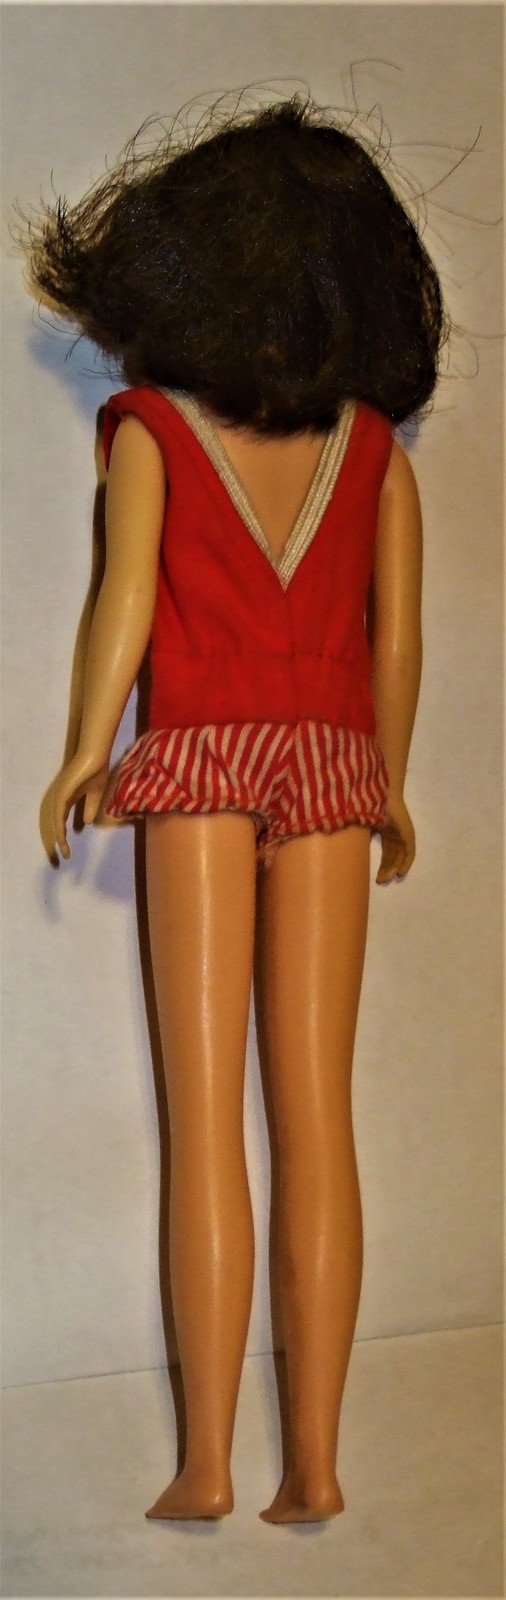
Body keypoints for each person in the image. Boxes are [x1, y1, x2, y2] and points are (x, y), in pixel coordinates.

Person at [17, 90, 448, 1522]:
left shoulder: (152, 429)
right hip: (327, 768)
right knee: (313, 1112)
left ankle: (210, 1463)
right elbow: (396, 643)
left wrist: (87, 750)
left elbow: (124, 605)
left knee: (208, 1115)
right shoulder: (372, 449)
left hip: (201, 758)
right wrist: (384, 778)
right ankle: (306, 1464)